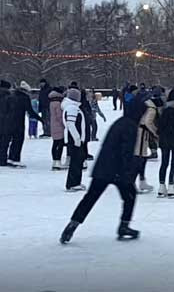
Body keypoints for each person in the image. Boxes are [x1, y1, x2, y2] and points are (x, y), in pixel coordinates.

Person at [59, 104, 144, 244]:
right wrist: (129, 171)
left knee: (90, 197)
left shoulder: (120, 122)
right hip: (117, 169)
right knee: (130, 196)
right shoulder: (131, 126)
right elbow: (126, 152)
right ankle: (124, 226)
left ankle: (73, 224)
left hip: (103, 167)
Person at [2, 81, 43, 168]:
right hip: (18, 122)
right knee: (18, 141)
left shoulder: (10, 96)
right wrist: (40, 119)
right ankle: (14, 159)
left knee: (6, 141)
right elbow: (30, 111)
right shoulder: (25, 98)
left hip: (7, 122)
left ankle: (5, 159)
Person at [134, 95, 159, 194]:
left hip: (138, 133)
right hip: (141, 135)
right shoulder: (152, 109)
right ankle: (135, 182)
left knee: (142, 157)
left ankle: (142, 180)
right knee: (139, 158)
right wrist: (156, 132)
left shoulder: (144, 105)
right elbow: (148, 122)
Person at [63, 88, 86, 192]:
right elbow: (71, 124)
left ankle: (75, 182)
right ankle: (73, 183)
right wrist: (77, 138)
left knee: (77, 160)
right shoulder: (72, 108)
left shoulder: (71, 107)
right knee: (76, 161)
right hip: (75, 139)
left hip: (74, 139)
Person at [49, 88, 67, 171]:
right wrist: (64, 123)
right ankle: (58, 161)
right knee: (60, 144)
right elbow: (59, 116)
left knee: (55, 143)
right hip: (59, 126)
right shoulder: (58, 103)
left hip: (53, 125)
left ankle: (54, 161)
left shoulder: (51, 102)